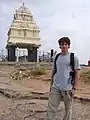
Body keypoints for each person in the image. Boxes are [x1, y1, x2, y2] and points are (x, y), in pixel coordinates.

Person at [46, 37, 80, 120]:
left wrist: (75, 88)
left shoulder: (73, 57)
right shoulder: (57, 57)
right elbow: (54, 71)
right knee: (51, 108)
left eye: (66, 44)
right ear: (60, 46)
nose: (64, 46)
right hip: (56, 87)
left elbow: (77, 73)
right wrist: (51, 86)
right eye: (62, 44)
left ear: (69, 46)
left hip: (68, 88)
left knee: (68, 110)